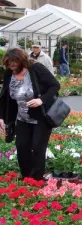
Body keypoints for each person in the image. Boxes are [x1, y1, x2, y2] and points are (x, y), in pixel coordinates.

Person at [0, 48, 60, 181]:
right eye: (9, 63)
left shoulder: (35, 69)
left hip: (40, 117)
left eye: (14, 61)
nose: (12, 65)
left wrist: (41, 100)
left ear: (21, 60)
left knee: (38, 148)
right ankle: (26, 178)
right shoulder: (9, 73)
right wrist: (2, 117)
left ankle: (37, 180)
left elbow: (55, 85)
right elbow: (4, 97)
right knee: (21, 147)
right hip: (22, 118)